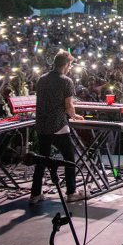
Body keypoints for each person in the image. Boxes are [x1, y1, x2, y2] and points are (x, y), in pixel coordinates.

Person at [29, 50, 85, 205]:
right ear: (66, 64)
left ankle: (35, 194)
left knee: (42, 158)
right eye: (70, 65)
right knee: (69, 158)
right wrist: (75, 116)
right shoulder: (66, 81)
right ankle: (72, 192)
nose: (70, 68)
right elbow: (68, 106)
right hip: (58, 124)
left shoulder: (42, 79)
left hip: (41, 124)